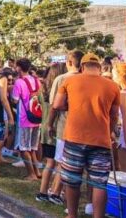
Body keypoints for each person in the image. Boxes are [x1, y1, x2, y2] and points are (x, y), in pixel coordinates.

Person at [52, 52, 120, 218]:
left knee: (72, 179)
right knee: (99, 183)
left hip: (75, 137)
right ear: (98, 67)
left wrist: (73, 105)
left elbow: (57, 104)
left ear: (82, 67)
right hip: (101, 140)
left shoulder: (70, 81)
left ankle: (72, 215)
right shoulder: (113, 86)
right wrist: (108, 131)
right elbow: (114, 115)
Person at [44, 50, 83, 205]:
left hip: (64, 126)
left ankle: (55, 192)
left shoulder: (61, 79)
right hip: (82, 128)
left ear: (69, 62)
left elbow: (54, 105)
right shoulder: (88, 79)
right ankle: (61, 194)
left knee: (62, 161)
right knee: (76, 165)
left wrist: (49, 124)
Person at [36, 63, 64, 204]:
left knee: (49, 162)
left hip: (45, 129)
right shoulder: (60, 91)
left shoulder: (43, 90)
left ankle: (42, 191)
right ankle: (55, 192)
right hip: (55, 128)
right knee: (60, 163)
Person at [11, 58, 42, 180]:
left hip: (25, 118)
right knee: (33, 148)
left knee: (23, 148)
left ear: (19, 67)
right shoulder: (36, 80)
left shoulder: (19, 82)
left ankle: (31, 174)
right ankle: (37, 171)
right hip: (36, 116)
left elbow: (15, 99)